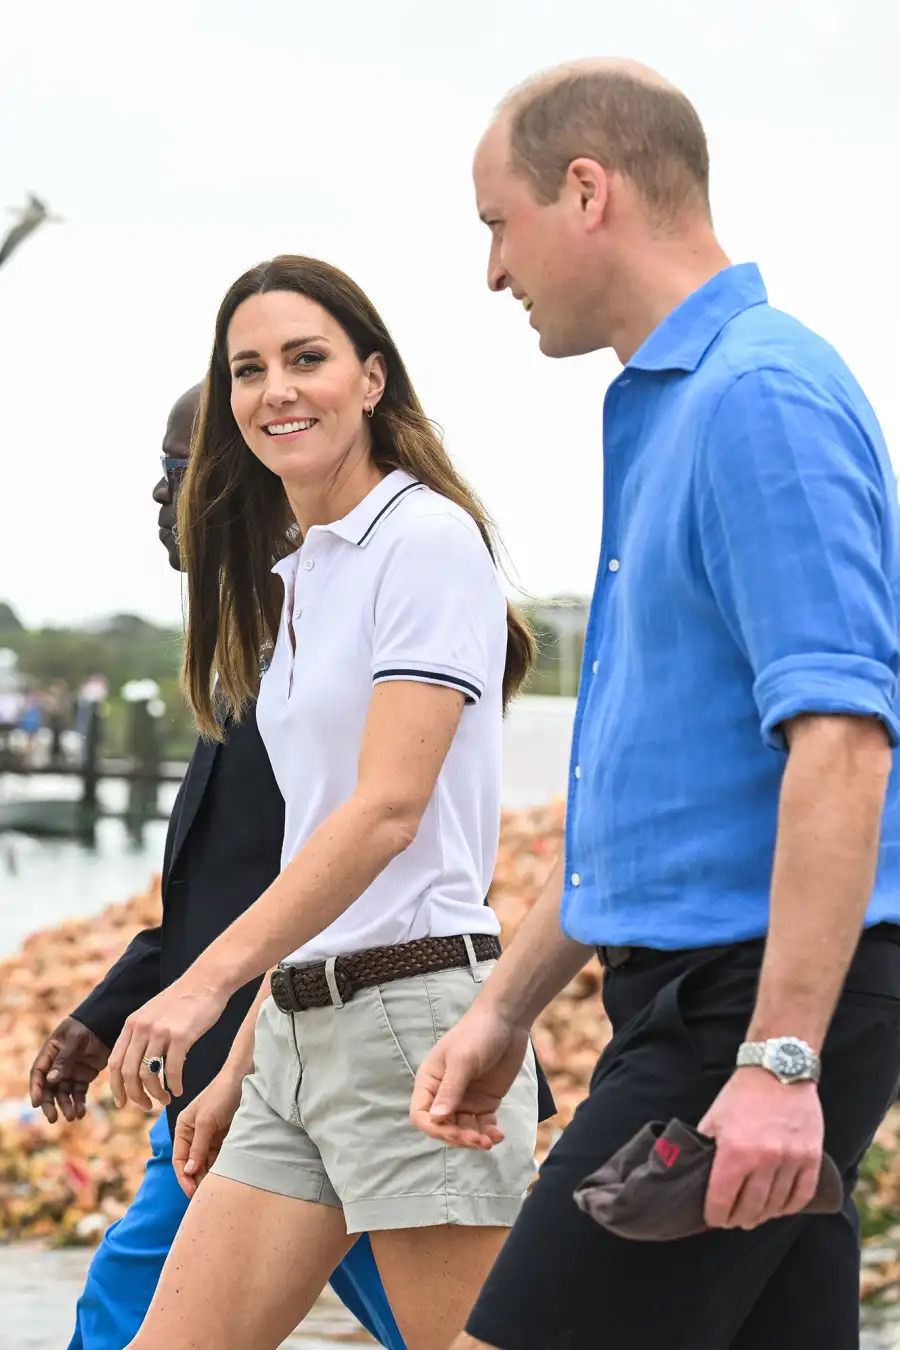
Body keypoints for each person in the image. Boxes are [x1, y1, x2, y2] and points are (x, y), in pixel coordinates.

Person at [409, 59, 900, 1350]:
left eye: (497, 224)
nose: (493, 272)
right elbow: (644, 801)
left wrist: (780, 1060)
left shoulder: (758, 396)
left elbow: (845, 743)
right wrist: (506, 1008)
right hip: (706, 993)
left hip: (742, 1008)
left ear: (588, 191)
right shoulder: (678, 405)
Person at [108, 256, 544, 1350]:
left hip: (414, 1024)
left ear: (372, 379)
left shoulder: (426, 538)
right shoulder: (306, 573)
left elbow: (388, 814)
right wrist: (248, 1056)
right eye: (248, 369)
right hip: (300, 1030)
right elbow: (316, 843)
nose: (277, 390)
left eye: (307, 358)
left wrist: (202, 987)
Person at [29, 383, 406, 1350]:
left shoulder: (330, 648)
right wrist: (105, 1012)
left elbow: (343, 869)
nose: (161, 497)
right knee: (126, 1306)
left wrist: (232, 1043)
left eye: (178, 470)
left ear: (252, 475)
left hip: (318, 1068)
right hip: (228, 1077)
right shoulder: (250, 644)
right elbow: (227, 885)